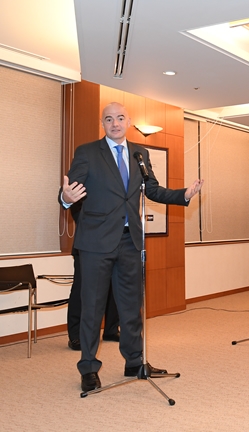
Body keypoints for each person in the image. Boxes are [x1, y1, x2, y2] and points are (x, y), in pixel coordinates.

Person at [59, 102, 204, 393]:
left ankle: (135, 361)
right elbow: (70, 191)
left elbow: (151, 189)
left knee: (131, 307)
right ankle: (88, 367)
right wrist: (65, 198)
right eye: (109, 119)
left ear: (128, 122)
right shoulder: (88, 152)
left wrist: (183, 195)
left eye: (120, 118)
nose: (115, 123)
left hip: (130, 241)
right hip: (96, 243)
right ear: (103, 124)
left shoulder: (141, 152)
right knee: (92, 307)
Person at [67, 203, 120, 351]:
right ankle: (76, 335)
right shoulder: (84, 180)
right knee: (81, 290)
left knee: (112, 288)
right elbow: (77, 212)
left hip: (113, 243)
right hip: (87, 244)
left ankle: (111, 329)